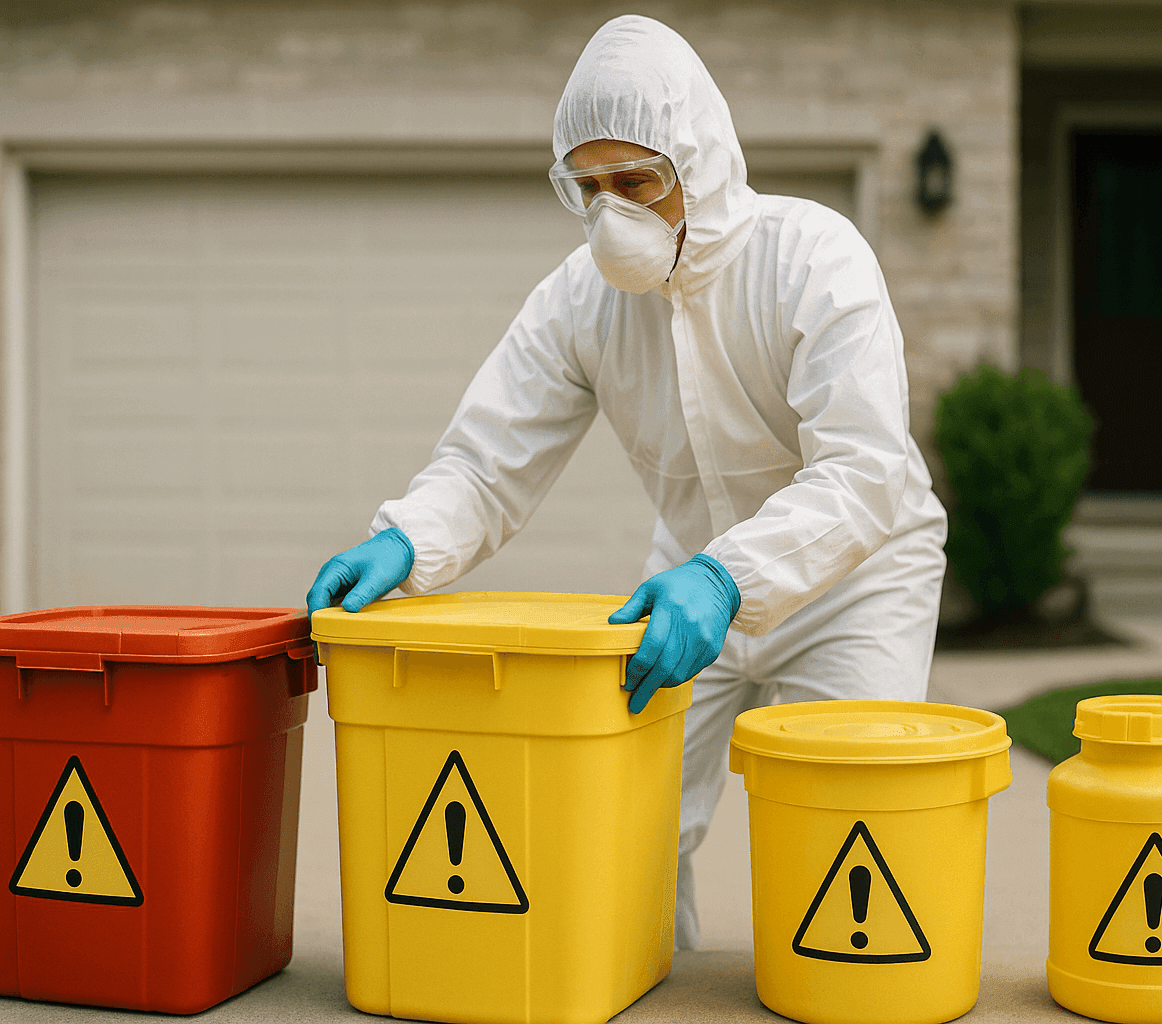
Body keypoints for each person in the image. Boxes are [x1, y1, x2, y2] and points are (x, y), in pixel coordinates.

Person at [306, 14, 946, 949]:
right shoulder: (579, 299)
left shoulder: (815, 257)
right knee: (628, 826)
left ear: (702, 162)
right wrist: (408, 540)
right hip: (683, 584)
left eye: (638, 181)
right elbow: (488, 462)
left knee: (845, 838)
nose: (615, 213)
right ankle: (651, 985)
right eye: (590, 186)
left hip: (858, 583)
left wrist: (733, 581)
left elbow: (864, 472)